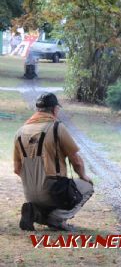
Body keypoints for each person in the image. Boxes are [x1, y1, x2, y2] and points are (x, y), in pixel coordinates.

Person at [14, 93, 94, 231]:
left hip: (29, 194)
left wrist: (34, 182)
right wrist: (84, 177)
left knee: (45, 197)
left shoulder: (20, 132)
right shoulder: (56, 128)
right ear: (55, 109)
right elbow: (76, 161)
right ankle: (57, 218)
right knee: (88, 187)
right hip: (54, 192)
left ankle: (35, 211)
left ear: (38, 110)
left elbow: (17, 169)